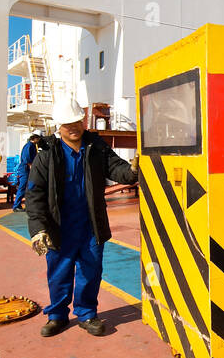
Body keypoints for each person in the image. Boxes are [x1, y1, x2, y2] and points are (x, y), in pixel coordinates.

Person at [26, 97, 139, 337]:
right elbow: (34, 193)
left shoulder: (96, 148)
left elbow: (116, 167)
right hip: (59, 226)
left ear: (83, 121)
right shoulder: (47, 154)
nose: (73, 127)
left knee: (90, 271)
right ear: (59, 127)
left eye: (77, 121)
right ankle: (57, 316)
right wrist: (38, 229)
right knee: (59, 273)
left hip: (90, 225)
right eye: (67, 124)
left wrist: (132, 170)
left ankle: (87, 314)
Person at [10, 131, 43, 210]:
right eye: (38, 138)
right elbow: (27, 158)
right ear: (35, 138)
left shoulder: (31, 146)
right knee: (23, 186)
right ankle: (16, 206)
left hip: (26, 169)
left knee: (27, 187)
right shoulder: (29, 146)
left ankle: (21, 205)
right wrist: (31, 167)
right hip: (25, 169)